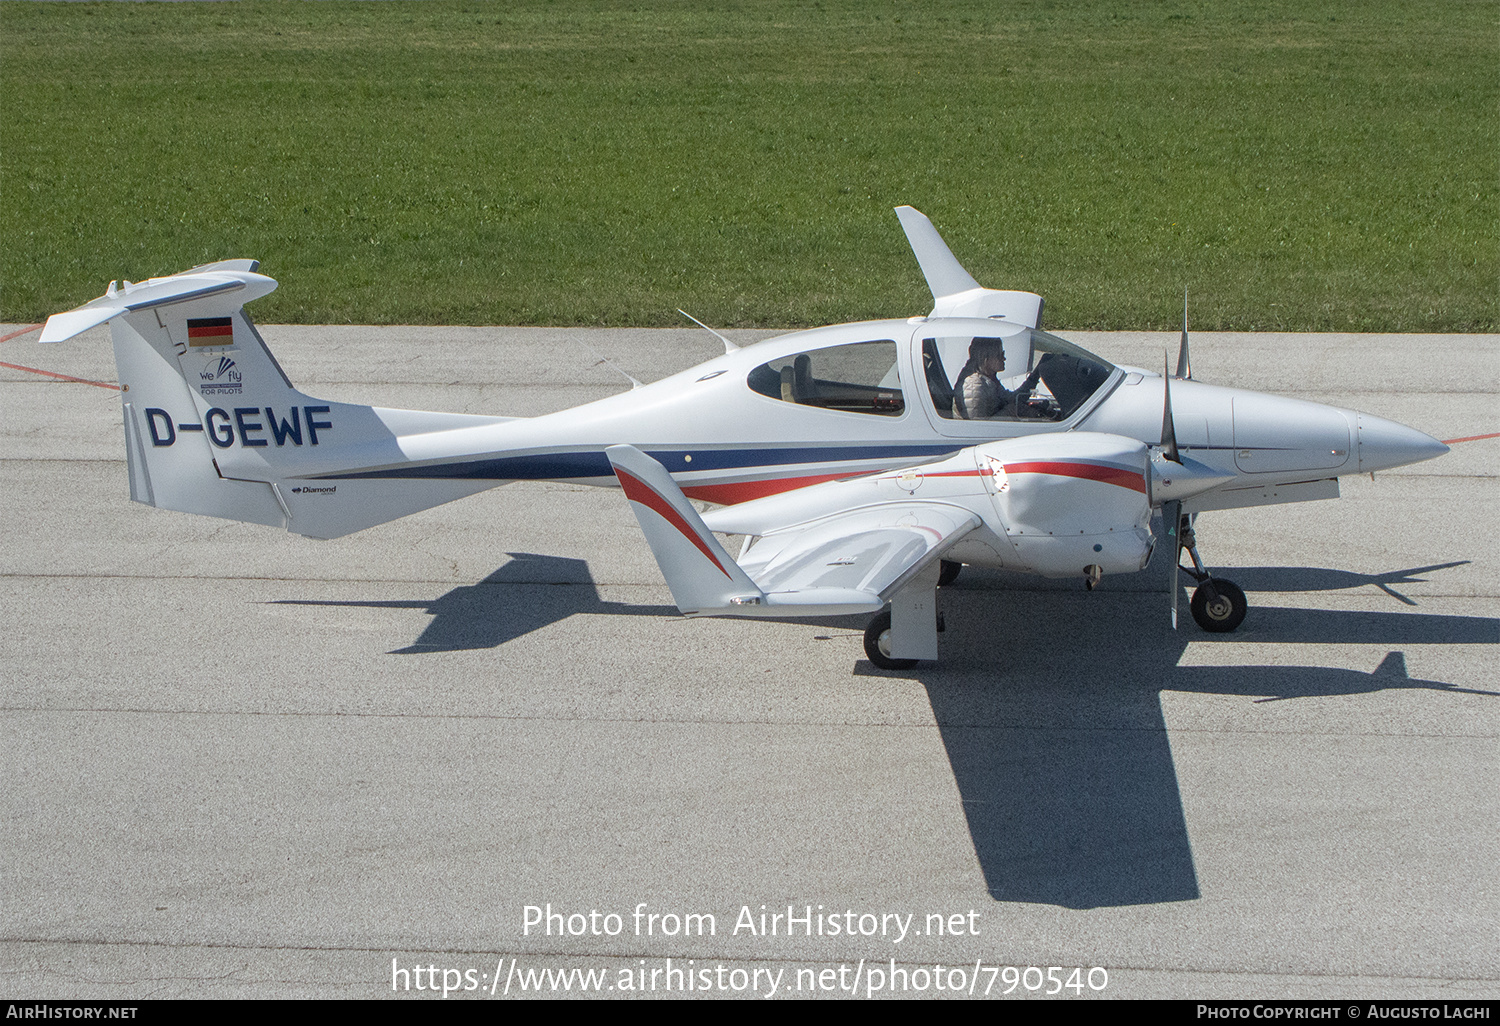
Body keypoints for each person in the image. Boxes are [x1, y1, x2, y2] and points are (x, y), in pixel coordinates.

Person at [953, 337, 1040, 419]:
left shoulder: (989, 380)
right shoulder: (974, 385)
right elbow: (977, 427)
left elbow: (1012, 399)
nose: (1004, 358)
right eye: (1000, 355)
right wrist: (1011, 411)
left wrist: (1035, 376)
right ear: (985, 358)